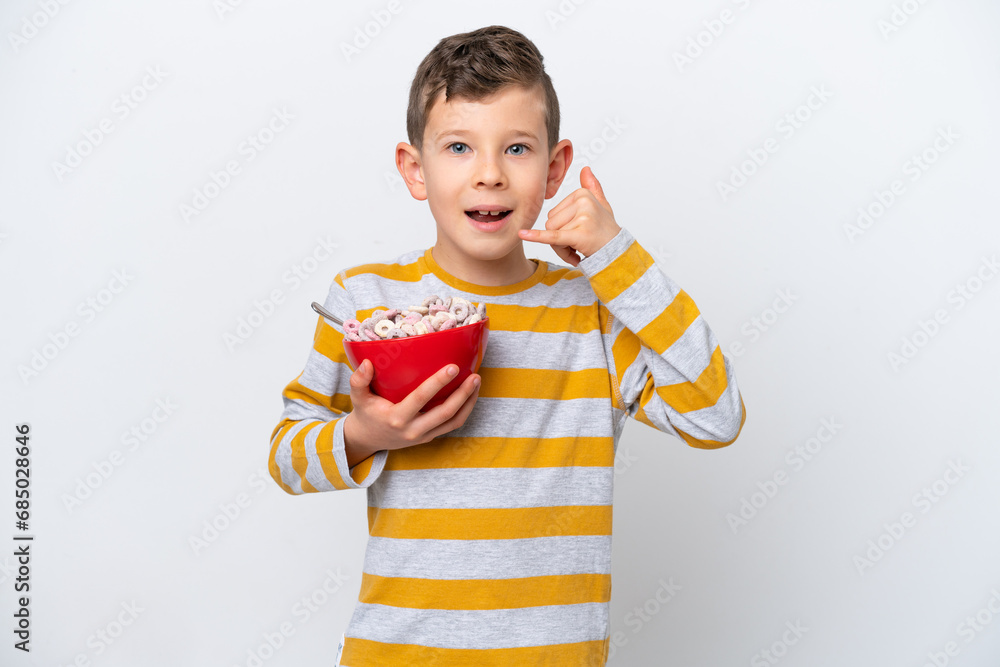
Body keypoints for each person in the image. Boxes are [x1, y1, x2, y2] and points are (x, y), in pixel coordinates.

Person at [268, 24, 746, 667]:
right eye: (459, 147)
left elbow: (716, 416)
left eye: (517, 149)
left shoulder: (592, 313)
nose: (489, 175)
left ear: (554, 171)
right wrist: (365, 435)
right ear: (416, 169)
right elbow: (286, 456)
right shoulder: (365, 301)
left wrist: (619, 260)